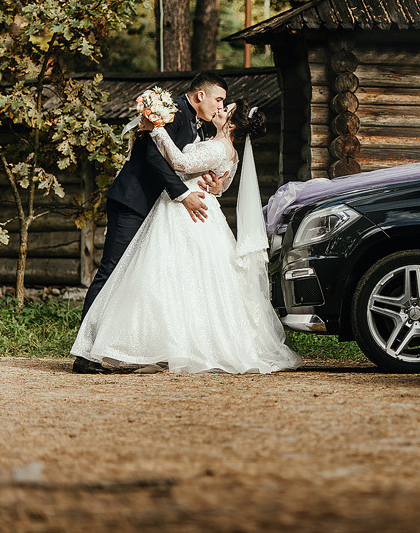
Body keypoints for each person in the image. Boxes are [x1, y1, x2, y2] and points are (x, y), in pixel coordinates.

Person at [71, 101, 301, 374]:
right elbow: (221, 186)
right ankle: (170, 344)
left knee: (166, 277)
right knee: (186, 280)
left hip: (186, 212)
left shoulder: (219, 147)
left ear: (232, 124)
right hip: (196, 210)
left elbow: (181, 163)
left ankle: (167, 345)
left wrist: (157, 129)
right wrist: (216, 186)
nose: (220, 109)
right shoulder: (228, 151)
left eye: (225, 110)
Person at [73, 73, 229, 374]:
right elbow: (154, 158)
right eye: (218, 99)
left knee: (137, 279)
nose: (219, 106)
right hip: (133, 202)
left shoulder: (197, 123)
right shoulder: (173, 113)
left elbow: (181, 162)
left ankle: (119, 347)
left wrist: (211, 181)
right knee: (111, 272)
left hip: (156, 208)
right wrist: (183, 194)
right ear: (200, 95)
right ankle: (84, 354)